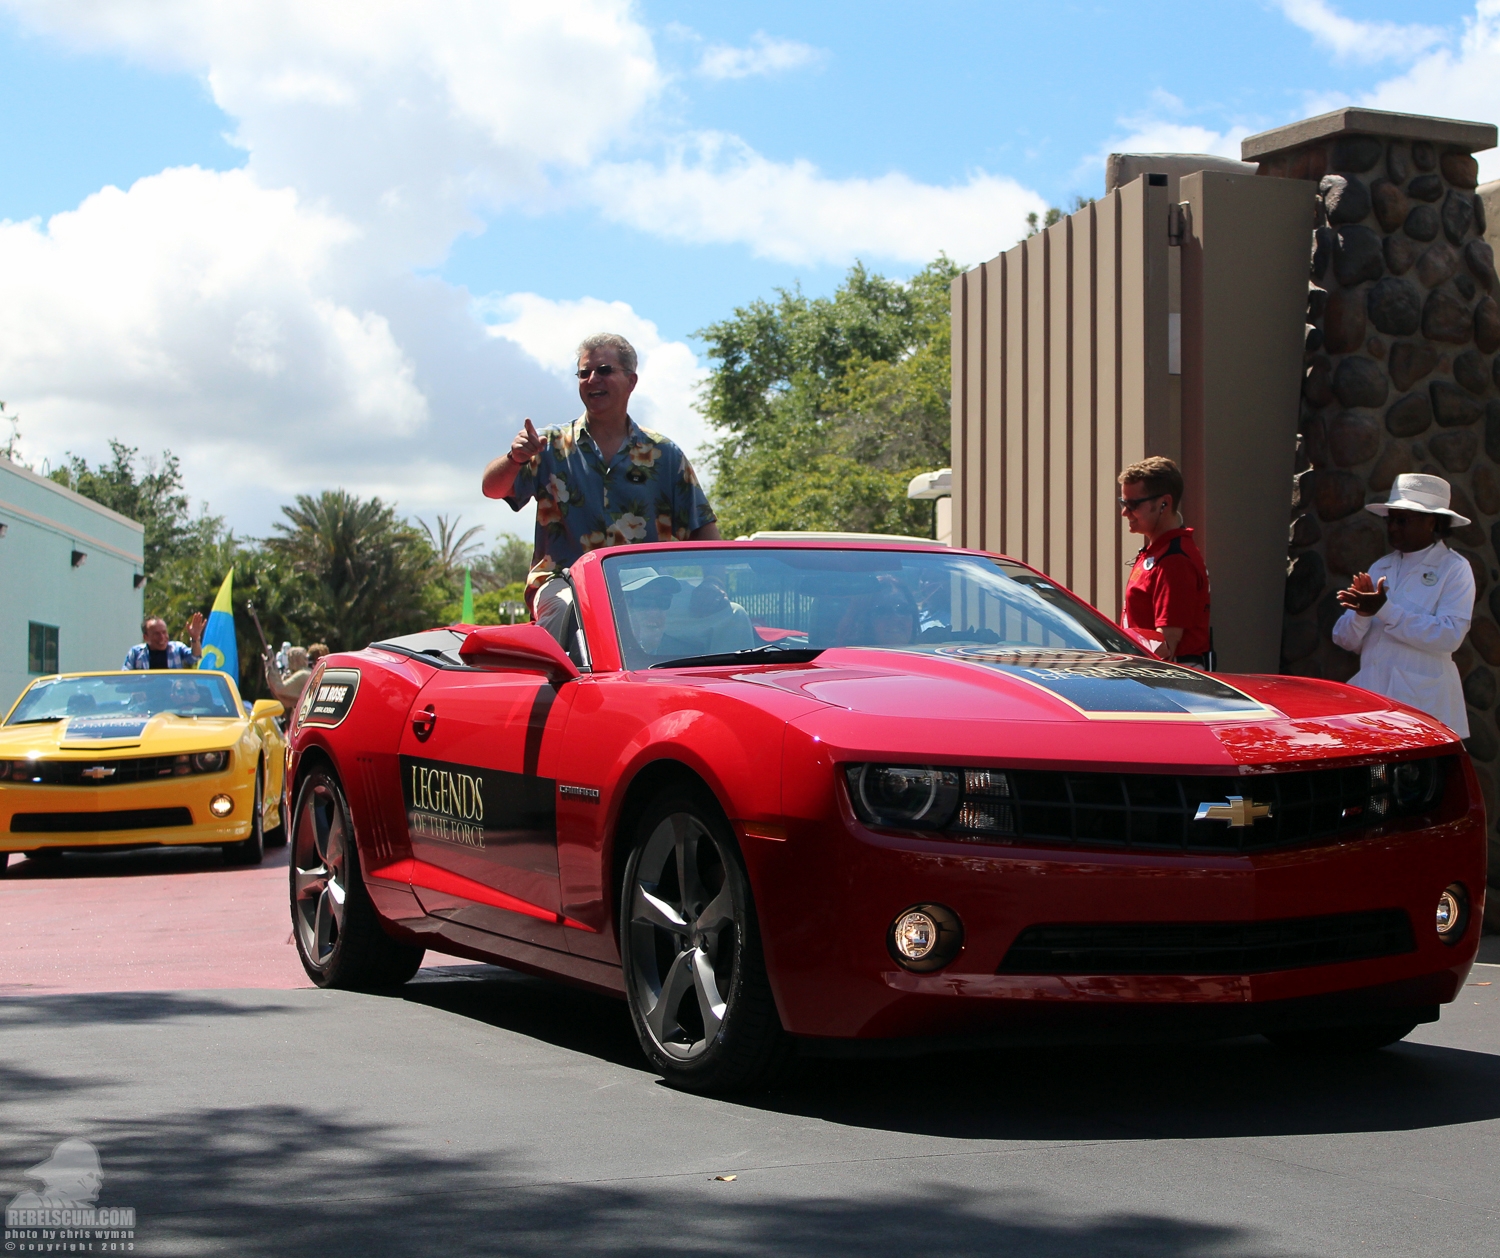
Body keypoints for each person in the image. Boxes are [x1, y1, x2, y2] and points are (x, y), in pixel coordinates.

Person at [480, 332, 720, 642]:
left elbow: (702, 529)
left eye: (604, 370)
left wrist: (713, 585)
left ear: (631, 381)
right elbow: (492, 488)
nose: (593, 379)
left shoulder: (663, 454)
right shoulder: (548, 445)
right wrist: (515, 458)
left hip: (648, 589)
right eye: (584, 373)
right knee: (566, 613)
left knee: (730, 618)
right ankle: (558, 689)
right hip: (565, 583)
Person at [1332, 474, 1475, 736]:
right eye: (1390, 520)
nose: (1393, 528)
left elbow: (1450, 636)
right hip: (1373, 711)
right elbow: (1345, 640)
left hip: (1426, 715)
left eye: (1402, 520)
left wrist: (1384, 610)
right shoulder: (1381, 566)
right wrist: (1363, 613)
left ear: (1432, 521)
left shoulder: (1454, 569)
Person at [1117, 457, 1211, 666]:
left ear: (1164, 504)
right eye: (1123, 502)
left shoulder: (1174, 561)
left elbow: (1167, 645)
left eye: (1132, 504)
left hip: (1170, 681)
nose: (1125, 512)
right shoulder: (1161, 552)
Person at [122, 613, 204, 670]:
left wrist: (195, 638)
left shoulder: (177, 648)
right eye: (156, 634)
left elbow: (195, 657)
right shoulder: (136, 653)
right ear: (145, 637)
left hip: (172, 695)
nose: (162, 638)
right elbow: (125, 678)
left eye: (164, 632)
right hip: (147, 694)